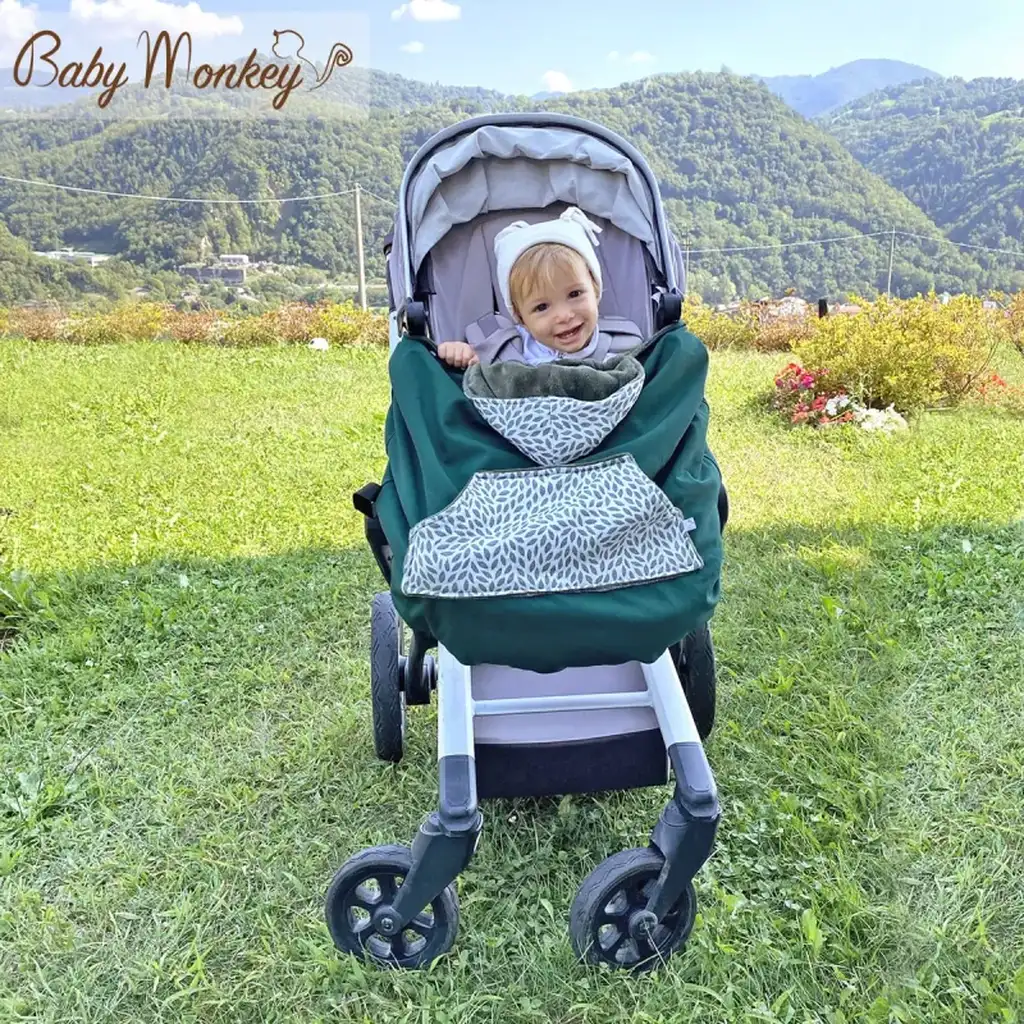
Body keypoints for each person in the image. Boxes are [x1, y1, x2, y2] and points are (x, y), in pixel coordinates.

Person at [437, 207, 639, 368]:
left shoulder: (622, 347)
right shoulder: (505, 349)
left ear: (595, 289)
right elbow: (474, 360)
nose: (564, 316)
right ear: (521, 318)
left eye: (575, 294)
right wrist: (461, 353)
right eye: (542, 307)